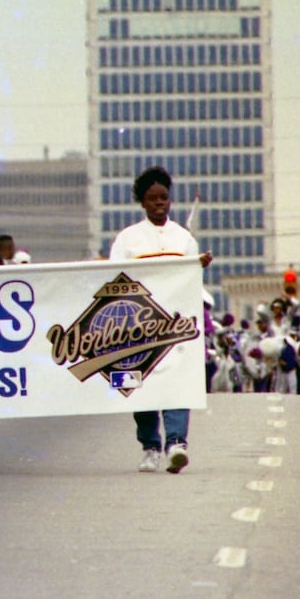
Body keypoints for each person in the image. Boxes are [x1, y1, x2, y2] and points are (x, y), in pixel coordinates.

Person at [108, 165, 213, 474]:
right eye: (152, 198)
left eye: (164, 198)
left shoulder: (184, 239)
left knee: (178, 382)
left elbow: (191, 282)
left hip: (176, 328)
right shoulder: (127, 239)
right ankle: (150, 446)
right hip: (138, 328)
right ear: (142, 202)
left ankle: (177, 443)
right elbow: (114, 280)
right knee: (141, 386)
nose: (159, 204)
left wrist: (199, 265)